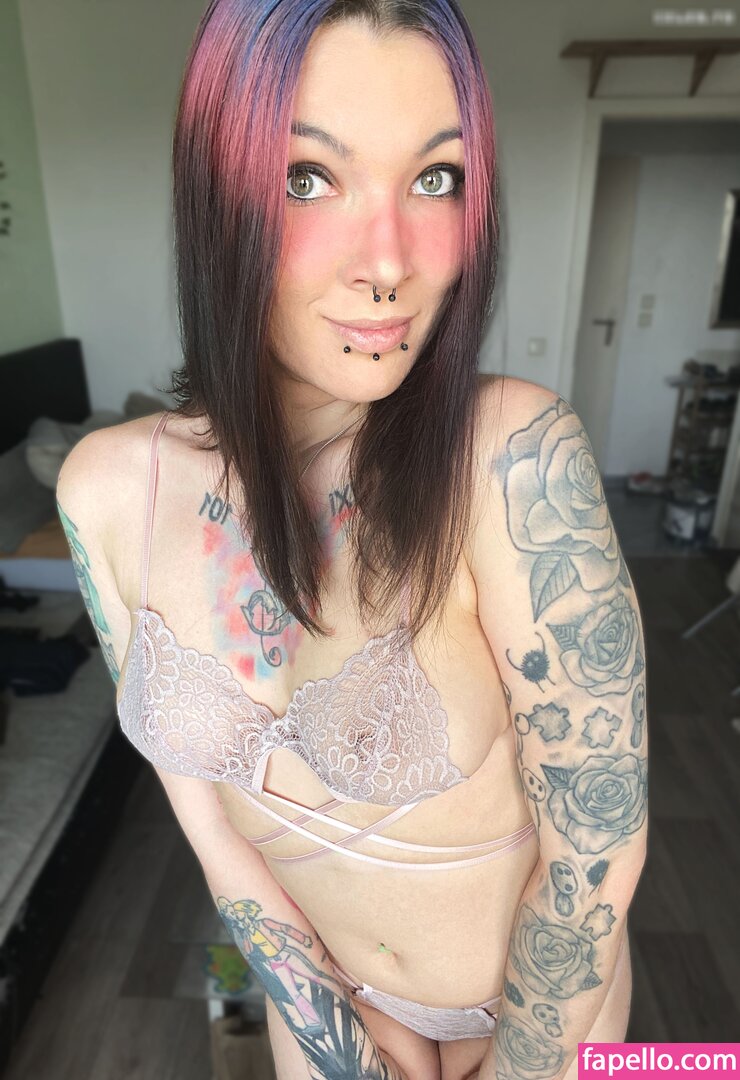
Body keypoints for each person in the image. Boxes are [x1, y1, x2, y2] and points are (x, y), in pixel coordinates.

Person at [56, 2, 647, 1078]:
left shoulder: (511, 457)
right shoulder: (105, 490)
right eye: (307, 178)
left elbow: (595, 851)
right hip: (332, 1009)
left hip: (545, 1015)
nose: (389, 263)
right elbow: (217, 838)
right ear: (216, 191)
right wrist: (348, 1053)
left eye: (436, 178)